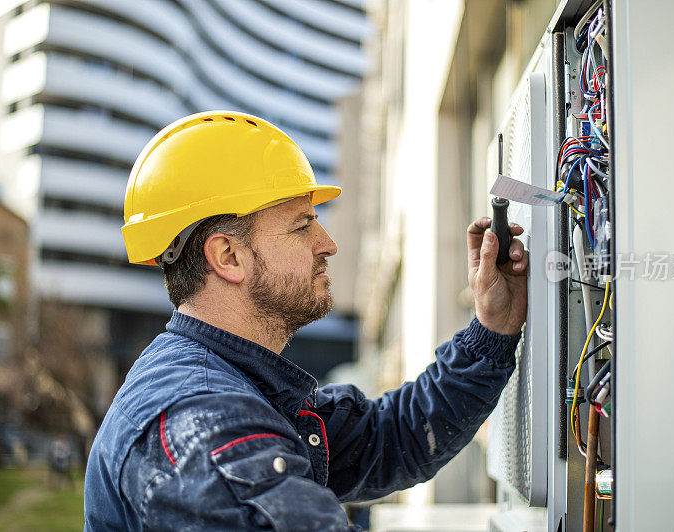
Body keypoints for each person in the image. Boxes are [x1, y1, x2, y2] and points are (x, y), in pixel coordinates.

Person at [84, 111, 529, 531]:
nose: (328, 243)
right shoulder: (204, 429)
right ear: (227, 257)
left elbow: (390, 437)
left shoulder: (240, 386)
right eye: (302, 226)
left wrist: (492, 330)